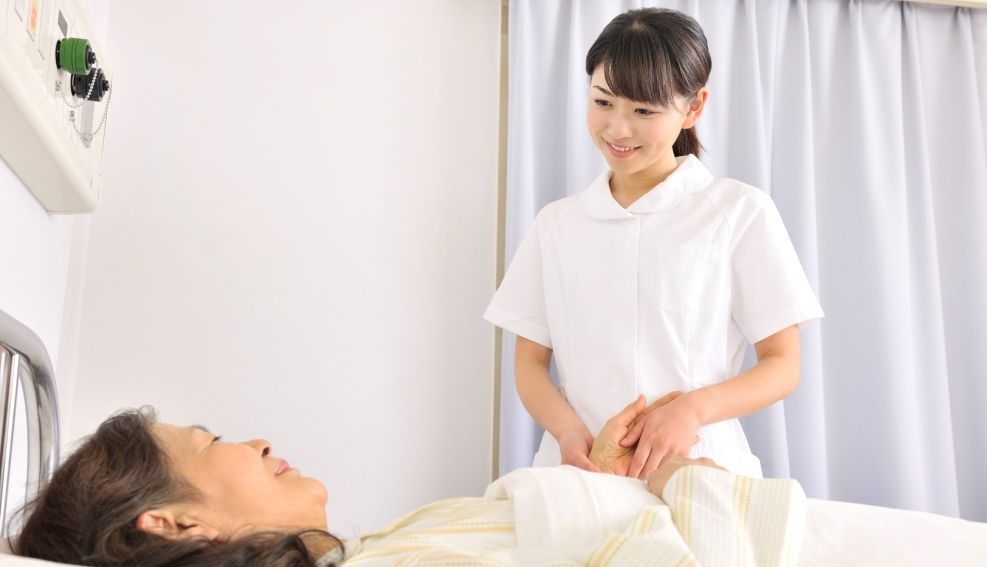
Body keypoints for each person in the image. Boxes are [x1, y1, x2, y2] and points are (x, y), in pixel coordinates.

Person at [484, 7, 824, 480]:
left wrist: (691, 411)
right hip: (581, 472)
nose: (618, 129)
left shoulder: (739, 212)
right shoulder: (556, 225)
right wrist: (569, 433)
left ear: (694, 107)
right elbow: (530, 364)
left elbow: (782, 364)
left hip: (700, 471)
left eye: (643, 111)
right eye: (603, 102)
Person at [13, 401, 807, 566]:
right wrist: (682, 478)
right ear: (174, 522)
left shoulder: (370, 549)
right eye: (211, 441)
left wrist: (598, 486)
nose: (258, 440)